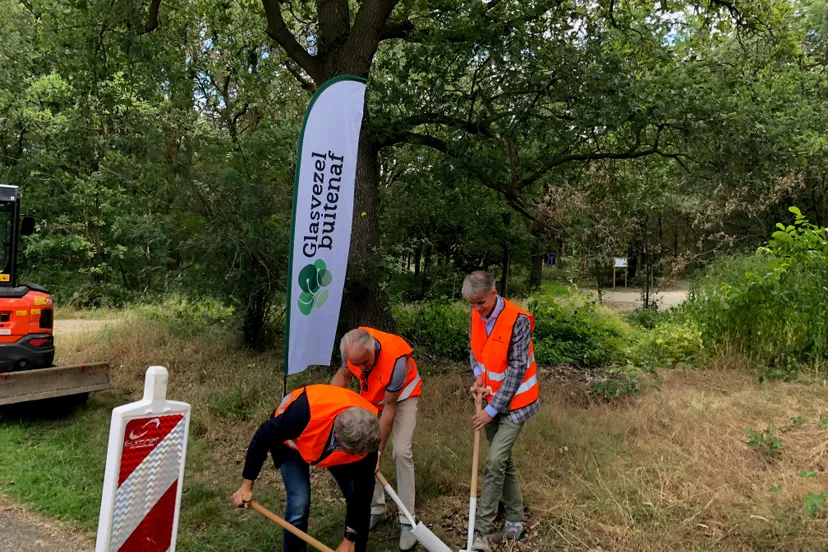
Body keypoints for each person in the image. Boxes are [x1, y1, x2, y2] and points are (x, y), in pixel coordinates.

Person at [232, 384, 380, 552]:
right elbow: (262, 437)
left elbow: (363, 490)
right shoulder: (302, 414)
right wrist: (246, 485)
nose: (359, 456)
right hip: (291, 445)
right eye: (355, 453)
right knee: (299, 502)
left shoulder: (369, 432)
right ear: (338, 439)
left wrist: (350, 539)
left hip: (328, 444)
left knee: (355, 493)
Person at [463, 271, 540, 552]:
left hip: (516, 403)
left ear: (494, 293)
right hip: (490, 398)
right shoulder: (477, 313)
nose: (476, 309)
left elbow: (518, 369)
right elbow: (475, 350)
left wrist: (491, 411)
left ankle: (480, 531)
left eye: (481, 303)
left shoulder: (518, 320)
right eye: (472, 304)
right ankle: (515, 525)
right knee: (504, 461)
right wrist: (478, 376)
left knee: (495, 461)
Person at [331, 327, 422, 551]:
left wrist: (378, 452)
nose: (362, 367)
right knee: (362, 450)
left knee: (400, 451)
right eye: (357, 363)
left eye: (366, 361)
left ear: (373, 348)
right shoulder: (350, 350)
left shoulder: (396, 360)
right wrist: (329, 405)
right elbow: (343, 375)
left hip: (402, 396)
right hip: (372, 397)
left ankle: (407, 521)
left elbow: (389, 410)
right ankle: (377, 509)